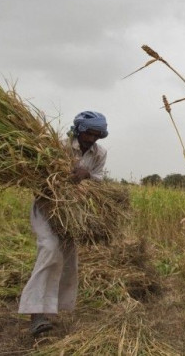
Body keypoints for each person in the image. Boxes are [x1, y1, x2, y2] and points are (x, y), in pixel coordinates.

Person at [18, 111, 109, 336]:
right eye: (89, 132)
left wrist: (86, 174)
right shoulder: (59, 145)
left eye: (97, 134)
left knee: (69, 257)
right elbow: (39, 175)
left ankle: (53, 310)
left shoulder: (100, 153)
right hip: (47, 206)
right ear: (79, 130)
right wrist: (65, 174)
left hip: (72, 212)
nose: (92, 138)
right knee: (50, 249)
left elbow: (98, 181)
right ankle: (36, 314)